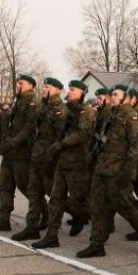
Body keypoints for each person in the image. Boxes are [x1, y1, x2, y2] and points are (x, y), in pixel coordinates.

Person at [76, 85, 138, 258]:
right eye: (111, 94)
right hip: (102, 168)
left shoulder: (132, 117)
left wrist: (128, 173)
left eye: (115, 94)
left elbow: (136, 147)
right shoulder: (111, 115)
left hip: (118, 170)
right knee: (97, 207)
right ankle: (97, 244)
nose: (111, 97)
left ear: (127, 98)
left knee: (124, 205)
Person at [32, 80, 96, 248]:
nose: (68, 92)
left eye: (72, 90)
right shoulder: (70, 111)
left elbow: (81, 134)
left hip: (78, 162)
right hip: (62, 161)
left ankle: (100, 232)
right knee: (55, 200)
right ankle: (51, 237)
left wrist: (60, 144)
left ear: (82, 93)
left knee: (79, 200)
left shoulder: (86, 112)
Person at [13, 77, 67, 241]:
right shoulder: (42, 107)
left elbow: (61, 137)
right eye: (43, 87)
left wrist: (54, 158)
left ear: (57, 90)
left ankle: (81, 214)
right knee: (35, 193)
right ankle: (32, 227)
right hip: (36, 157)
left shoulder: (60, 110)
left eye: (48, 87)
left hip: (49, 160)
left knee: (55, 195)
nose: (44, 89)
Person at [0, 75, 39, 232]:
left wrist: (13, 142)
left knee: (25, 186)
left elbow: (29, 128)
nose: (18, 85)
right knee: (4, 185)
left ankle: (45, 213)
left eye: (21, 83)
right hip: (10, 153)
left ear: (31, 86)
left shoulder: (31, 103)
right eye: (17, 83)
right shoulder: (19, 101)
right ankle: (4, 219)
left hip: (22, 153)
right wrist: (6, 141)